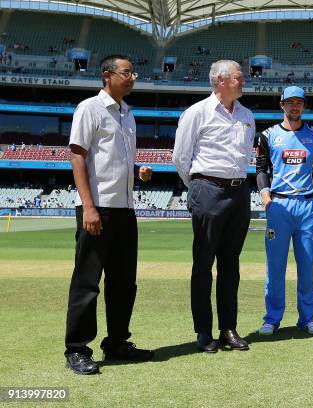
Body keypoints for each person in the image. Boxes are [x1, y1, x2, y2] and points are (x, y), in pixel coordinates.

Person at [64, 55, 154, 375]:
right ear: (107, 75)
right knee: (87, 282)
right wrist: (88, 206)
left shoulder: (128, 114)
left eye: (134, 72)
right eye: (127, 72)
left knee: (124, 283)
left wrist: (136, 171)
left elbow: (112, 160)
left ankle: (116, 342)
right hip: (97, 207)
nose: (133, 77)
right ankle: (77, 348)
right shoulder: (90, 108)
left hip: (125, 209)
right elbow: (78, 156)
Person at [172, 60, 255, 353]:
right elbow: (181, 157)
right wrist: (199, 186)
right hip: (207, 189)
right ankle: (204, 332)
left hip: (239, 192)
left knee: (231, 265)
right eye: (238, 77)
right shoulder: (197, 113)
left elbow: (245, 155)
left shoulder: (246, 115)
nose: (243, 80)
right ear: (221, 80)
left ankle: (228, 328)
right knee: (203, 264)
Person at [255, 86, 313, 336]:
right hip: (279, 205)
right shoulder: (267, 135)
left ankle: (307, 318)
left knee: (307, 266)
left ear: (304, 106)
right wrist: (266, 198)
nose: (295, 107)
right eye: (290, 102)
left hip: (306, 205)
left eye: (299, 102)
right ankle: (272, 319)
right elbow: (262, 169)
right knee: (275, 266)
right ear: (282, 105)